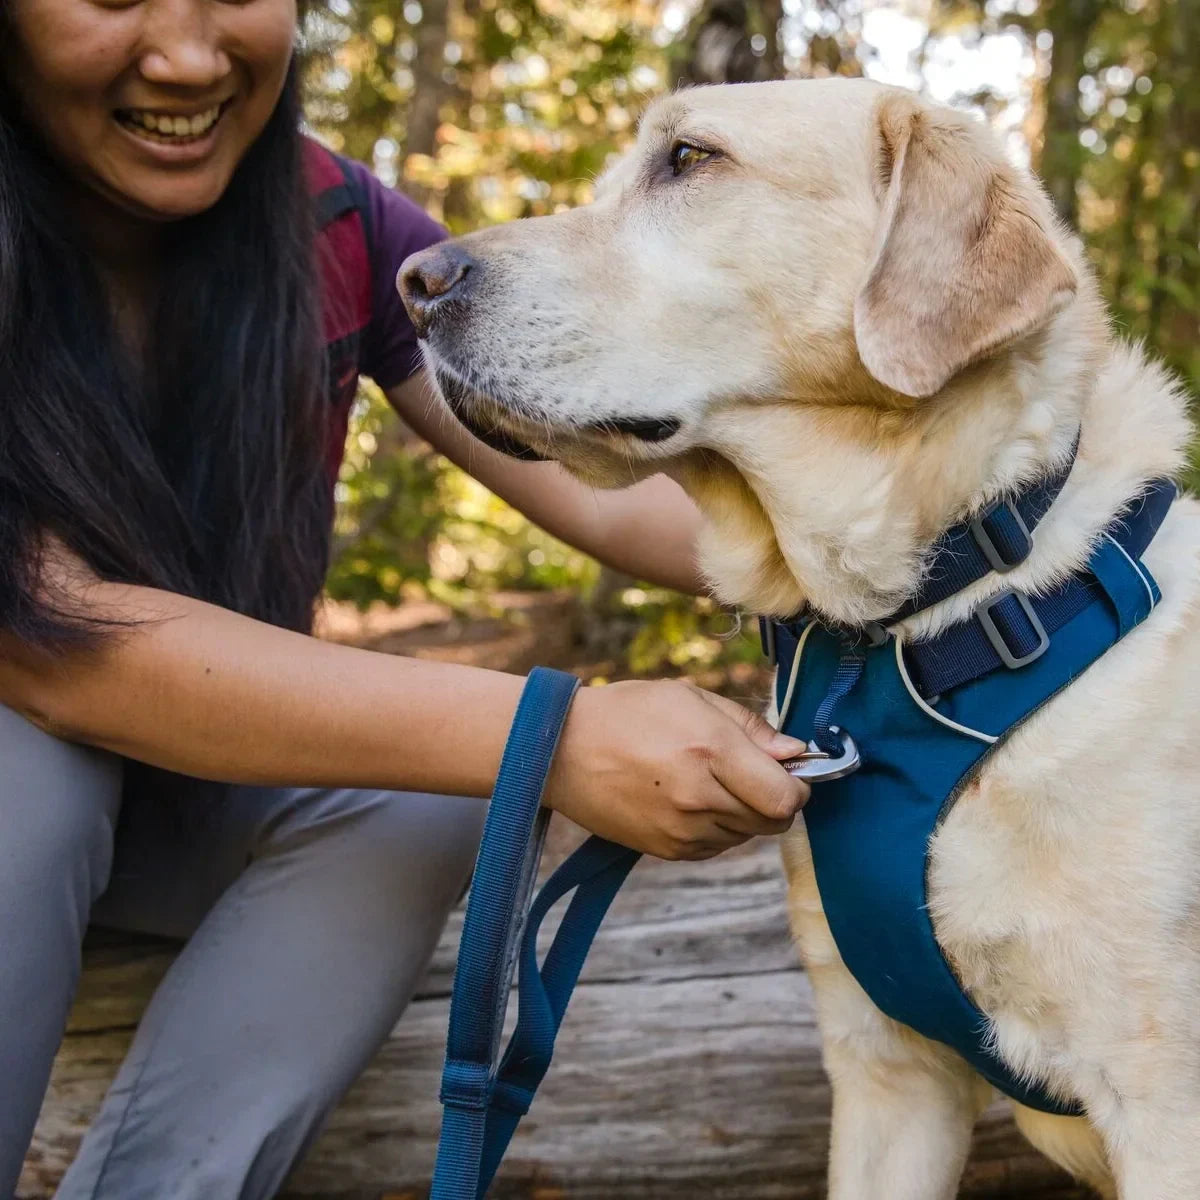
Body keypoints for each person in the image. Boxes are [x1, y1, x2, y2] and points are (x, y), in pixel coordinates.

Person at [0, 0, 811, 1195]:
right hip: (34, 791)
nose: (183, 55)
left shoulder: (331, 224)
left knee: (428, 795)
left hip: (175, 812)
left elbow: (607, 498)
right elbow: (54, 649)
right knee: (33, 773)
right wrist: (561, 735)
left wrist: (899, 535)